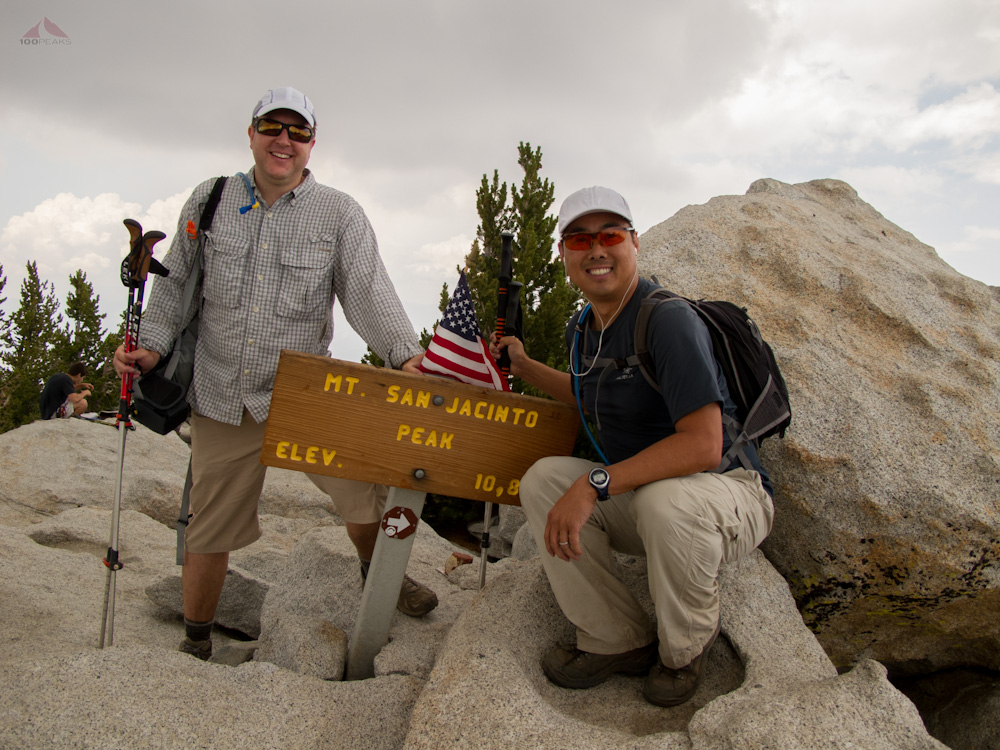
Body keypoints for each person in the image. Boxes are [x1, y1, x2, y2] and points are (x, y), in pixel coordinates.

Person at [114, 87, 437, 661]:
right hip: (222, 393)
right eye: (272, 127)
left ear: (313, 143)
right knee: (209, 526)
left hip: (304, 393)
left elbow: (367, 290)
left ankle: (378, 575)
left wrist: (404, 356)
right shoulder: (208, 200)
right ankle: (196, 641)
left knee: (364, 500)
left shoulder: (339, 213)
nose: (283, 141)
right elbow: (175, 287)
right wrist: (150, 347)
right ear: (252, 132)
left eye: (298, 132)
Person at [493, 186, 774, 707]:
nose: (596, 250)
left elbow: (704, 447)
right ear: (564, 255)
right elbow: (586, 395)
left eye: (610, 235)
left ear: (634, 243)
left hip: (727, 493)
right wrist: (526, 367)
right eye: (580, 238)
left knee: (658, 500)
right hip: (652, 500)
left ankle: (685, 650)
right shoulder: (586, 325)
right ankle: (616, 638)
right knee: (542, 480)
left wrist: (595, 482)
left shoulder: (665, 319)